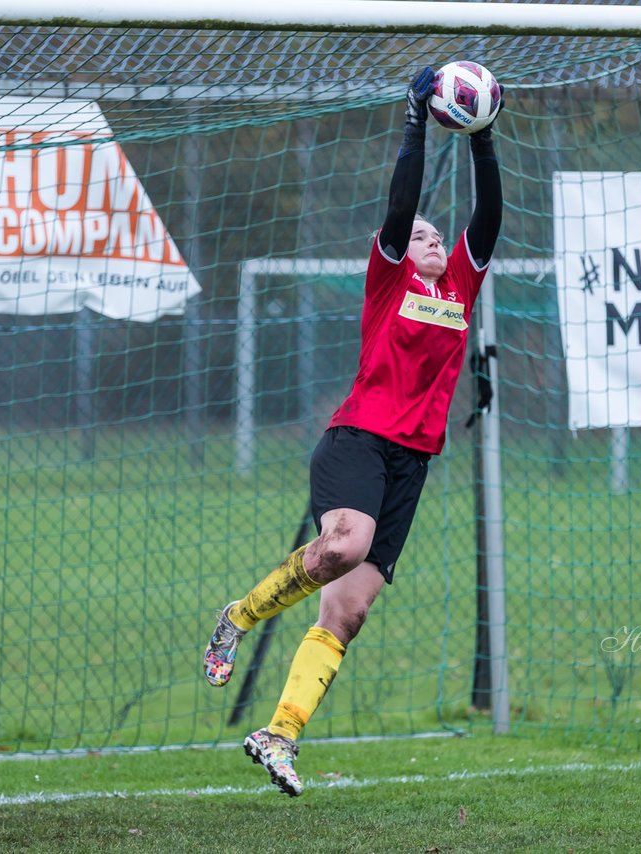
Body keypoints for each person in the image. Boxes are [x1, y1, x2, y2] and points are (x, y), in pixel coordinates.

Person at [203, 66, 503, 797]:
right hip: (359, 440)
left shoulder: (460, 285)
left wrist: (483, 139)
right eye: (422, 235)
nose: (432, 241)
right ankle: (237, 617)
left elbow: (488, 216)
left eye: (438, 236)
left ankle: (279, 736)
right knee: (346, 544)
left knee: (351, 606)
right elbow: (401, 207)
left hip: (413, 462)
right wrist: (413, 119)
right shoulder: (391, 279)